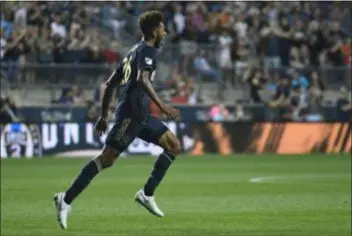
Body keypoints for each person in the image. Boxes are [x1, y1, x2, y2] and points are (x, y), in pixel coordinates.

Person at [53, 11, 181, 229]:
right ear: (153, 31)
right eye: (161, 28)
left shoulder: (132, 52)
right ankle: (65, 200)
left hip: (141, 116)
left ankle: (146, 194)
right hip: (130, 115)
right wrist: (162, 105)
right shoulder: (147, 50)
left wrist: (104, 117)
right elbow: (142, 79)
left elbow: (111, 84)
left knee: (173, 145)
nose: (164, 32)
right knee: (107, 159)